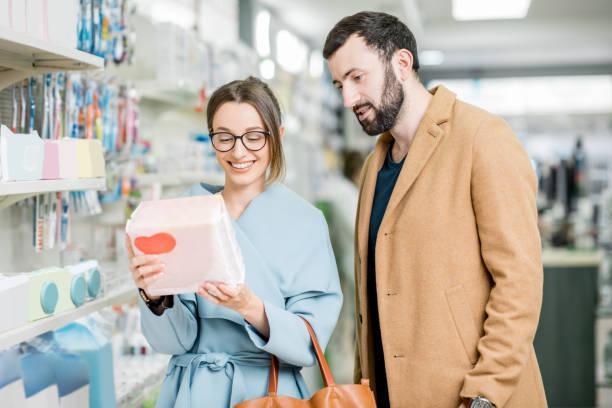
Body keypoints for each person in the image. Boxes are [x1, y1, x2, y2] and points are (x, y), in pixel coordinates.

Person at [323, 11, 546, 408]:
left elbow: (519, 282)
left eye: (358, 78)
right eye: (340, 84)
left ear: (402, 63)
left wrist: (485, 394)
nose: (347, 99)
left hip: (469, 395)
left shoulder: (481, 138)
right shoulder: (376, 165)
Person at [125, 77, 343, 407]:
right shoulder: (185, 213)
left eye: (254, 137)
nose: (239, 152)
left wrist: (250, 307)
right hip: (193, 392)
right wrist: (156, 297)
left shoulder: (306, 222)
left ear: (277, 137)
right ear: (211, 140)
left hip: (269, 393)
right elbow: (173, 341)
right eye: (224, 138)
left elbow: (310, 345)